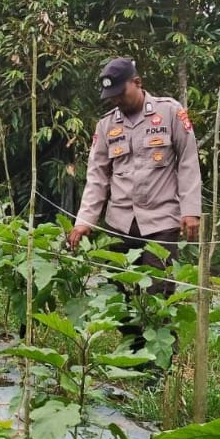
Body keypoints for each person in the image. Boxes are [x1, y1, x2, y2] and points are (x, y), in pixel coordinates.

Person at [67, 57, 203, 351]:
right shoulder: (106, 127)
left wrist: (191, 211)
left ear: (137, 83)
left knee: (157, 292)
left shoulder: (170, 112)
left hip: (161, 221)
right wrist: (84, 221)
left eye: (120, 93)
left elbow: (189, 163)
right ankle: (133, 352)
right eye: (111, 96)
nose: (116, 100)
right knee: (118, 291)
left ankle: (159, 365)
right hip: (120, 224)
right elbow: (97, 178)